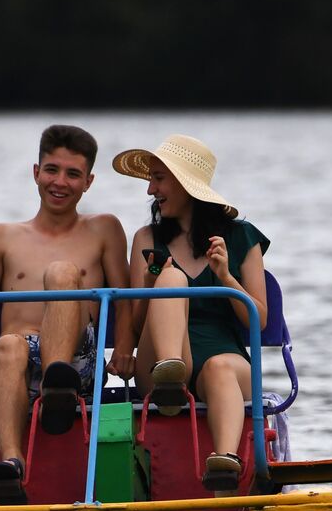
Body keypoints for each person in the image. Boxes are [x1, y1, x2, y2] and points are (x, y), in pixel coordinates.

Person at [0, 125, 133, 503]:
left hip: (75, 365)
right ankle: (10, 466)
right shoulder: (2, 236)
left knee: (63, 272)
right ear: (36, 173)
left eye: (73, 174)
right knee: (12, 346)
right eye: (52, 170)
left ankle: (56, 383)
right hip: (7, 364)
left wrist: (125, 348)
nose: (59, 182)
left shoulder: (104, 230)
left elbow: (125, 300)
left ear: (89, 182)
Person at [112, 135, 269, 492]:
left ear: (186, 184)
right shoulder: (146, 238)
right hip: (161, 364)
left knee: (219, 367)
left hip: (223, 360)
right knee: (170, 276)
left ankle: (225, 461)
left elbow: (259, 321)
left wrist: (226, 276)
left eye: (159, 179)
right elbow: (135, 325)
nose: (150, 189)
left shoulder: (242, 237)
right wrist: (155, 282)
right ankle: (171, 379)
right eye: (151, 179)